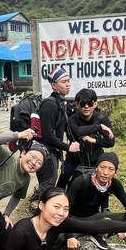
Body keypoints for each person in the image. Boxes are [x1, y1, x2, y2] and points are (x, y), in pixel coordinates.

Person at [66, 152, 126, 250]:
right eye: (102, 167)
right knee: (58, 235)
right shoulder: (81, 181)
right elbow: (63, 208)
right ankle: (91, 232)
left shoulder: (115, 184)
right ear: (96, 168)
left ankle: (97, 234)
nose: (105, 172)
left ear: (115, 172)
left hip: (94, 220)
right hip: (74, 220)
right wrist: (69, 236)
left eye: (111, 169)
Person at [57, 88, 115, 189]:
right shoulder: (72, 119)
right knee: (63, 178)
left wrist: (94, 140)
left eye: (90, 104)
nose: (86, 107)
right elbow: (78, 131)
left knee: (99, 184)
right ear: (77, 105)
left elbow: (111, 142)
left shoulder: (101, 119)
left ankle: (102, 204)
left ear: (95, 104)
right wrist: (99, 127)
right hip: (74, 157)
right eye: (83, 104)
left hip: (95, 157)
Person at [35, 67, 80, 197]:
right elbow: (47, 135)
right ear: (54, 85)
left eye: (68, 81)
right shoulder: (50, 105)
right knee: (46, 191)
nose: (68, 84)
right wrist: (68, 148)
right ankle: (41, 216)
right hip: (46, 154)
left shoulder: (59, 103)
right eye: (64, 81)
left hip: (53, 153)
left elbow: (59, 131)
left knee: (48, 189)